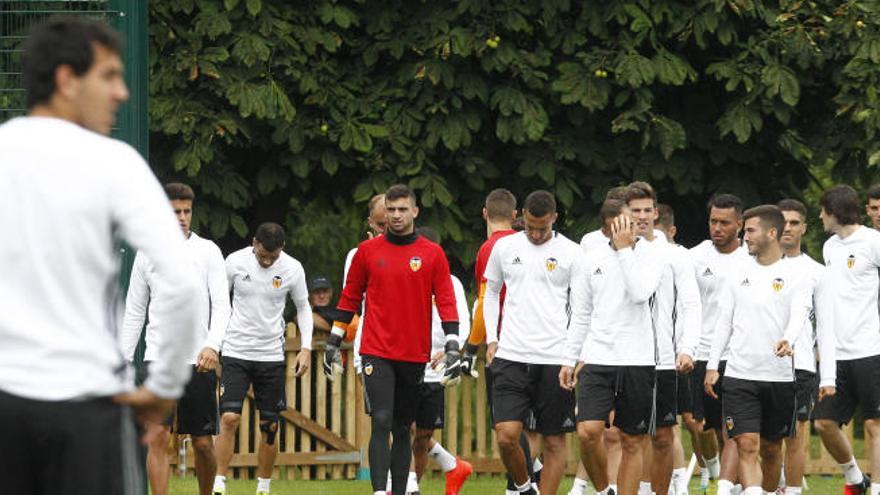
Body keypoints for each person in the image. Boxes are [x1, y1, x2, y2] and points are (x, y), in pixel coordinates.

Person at [0, 16, 198, 494]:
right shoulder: (114, 162)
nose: (121, 92)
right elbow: (182, 281)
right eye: (108, 76)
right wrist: (164, 387)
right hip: (87, 405)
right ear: (67, 79)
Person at [324, 184, 461, 495]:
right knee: (382, 420)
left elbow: (446, 300)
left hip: (414, 353)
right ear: (384, 212)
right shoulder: (367, 252)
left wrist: (452, 343)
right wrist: (333, 340)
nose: (396, 215)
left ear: (415, 211)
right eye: (391, 209)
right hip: (376, 349)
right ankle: (378, 491)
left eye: (402, 209)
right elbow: (349, 297)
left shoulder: (432, 253)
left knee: (402, 427)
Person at [120, 182, 230, 495]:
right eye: (175, 212)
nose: (182, 218)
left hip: (198, 360)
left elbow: (222, 306)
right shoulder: (146, 254)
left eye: (186, 211)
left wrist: (212, 346)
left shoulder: (208, 251)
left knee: (202, 443)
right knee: (157, 436)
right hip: (158, 358)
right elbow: (134, 312)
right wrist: (123, 361)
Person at [703, 205, 813, 495]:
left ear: (772, 233)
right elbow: (723, 321)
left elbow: (800, 313)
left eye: (751, 230)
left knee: (771, 449)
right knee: (746, 444)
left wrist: (788, 339)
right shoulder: (736, 272)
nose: (745, 236)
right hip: (739, 375)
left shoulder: (797, 274)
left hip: (779, 377)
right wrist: (712, 365)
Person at [562, 198, 663, 495]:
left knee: (632, 441)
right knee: (587, 432)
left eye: (629, 223)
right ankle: (604, 489)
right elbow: (581, 314)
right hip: (598, 357)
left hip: (638, 359)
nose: (629, 228)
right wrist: (569, 358)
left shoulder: (652, 254)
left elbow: (640, 293)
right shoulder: (588, 259)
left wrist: (624, 251)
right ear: (606, 229)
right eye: (619, 225)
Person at [484, 190, 582, 495]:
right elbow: (491, 292)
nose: (536, 234)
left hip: (555, 358)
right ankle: (525, 487)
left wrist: (572, 356)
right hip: (511, 354)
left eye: (543, 228)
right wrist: (492, 338)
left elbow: (581, 308)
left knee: (554, 441)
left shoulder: (572, 252)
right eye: (530, 227)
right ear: (522, 217)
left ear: (554, 218)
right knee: (506, 435)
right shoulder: (504, 247)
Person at [213, 222, 314, 495]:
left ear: (282, 249)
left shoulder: (293, 268)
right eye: (263, 255)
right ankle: (219, 483)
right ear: (254, 243)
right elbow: (219, 302)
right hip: (235, 350)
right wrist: (213, 342)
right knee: (229, 418)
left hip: (271, 355)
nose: (268, 261)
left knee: (269, 425)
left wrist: (305, 348)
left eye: (274, 256)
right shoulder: (234, 262)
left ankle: (263, 487)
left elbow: (303, 307)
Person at [462, 188, 538, 495]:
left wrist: (472, 346)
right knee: (524, 424)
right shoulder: (525, 243)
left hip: (505, 345)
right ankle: (527, 477)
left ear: (484, 213)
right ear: (515, 214)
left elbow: (485, 301)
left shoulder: (490, 248)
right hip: (533, 341)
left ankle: (520, 484)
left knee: (507, 423)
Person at [626, 183, 700, 495]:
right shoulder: (608, 250)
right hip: (622, 358)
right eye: (635, 211)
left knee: (663, 437)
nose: (642, 216)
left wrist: (687, 348)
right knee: (624, 437)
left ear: (656, 213)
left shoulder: (675, 255)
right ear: (625, 213)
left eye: (647, 210)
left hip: (662, 361)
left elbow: (690, 304)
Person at [813, 184, 880, 495]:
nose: (820, 217)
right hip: (834, 355)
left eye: (822, 211)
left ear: (835, 212)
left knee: (874, 425)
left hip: (870, 349)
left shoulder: (874, 241)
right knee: (823, 423)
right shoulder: (829, 247)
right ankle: (855, 478)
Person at [404, 226, 473, 495]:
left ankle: (416, 482)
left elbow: (462, 322)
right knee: (402, 427)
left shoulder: (451, 283)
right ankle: (407, 487)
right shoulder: (404, 277)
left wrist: (449, 350)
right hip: (405, 362)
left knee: (422, 436)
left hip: (435, 369)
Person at [690, 194, 751, 495]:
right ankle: (724, 476)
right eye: (713, 221)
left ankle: (728, 488)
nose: (717, 227)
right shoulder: (695, 257)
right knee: (707, 426)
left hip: (738, 355)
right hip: (701, 353)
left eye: (724, 223)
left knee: (734, 431)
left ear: (739, 224)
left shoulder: (751, 258)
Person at [776, 199, 828, 495]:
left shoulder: (817, 271)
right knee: (763, 439)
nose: (788, 228)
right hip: (759, 365)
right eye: (783, 222)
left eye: (794, 222)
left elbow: (826, 325)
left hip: (802, 365)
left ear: (804, 228)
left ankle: (793, 490)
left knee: (796, 436)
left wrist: (827, 371)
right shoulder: (755, 266)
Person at [655, 202, 705, 494]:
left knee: (687, 421)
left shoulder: (681, 258)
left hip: (677, 353)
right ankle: (676, 481)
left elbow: (689, 307)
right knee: (661, 427)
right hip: (646, 357)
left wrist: (687, 346)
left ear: (671, 231)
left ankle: (704, 470)